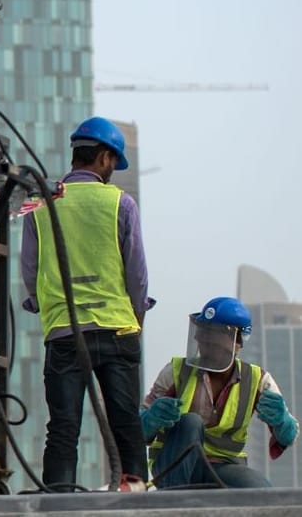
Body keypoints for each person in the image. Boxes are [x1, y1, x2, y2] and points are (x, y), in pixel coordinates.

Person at [21, 116, 152, 489]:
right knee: (125, 422)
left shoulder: (39, 203)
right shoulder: (120, 203)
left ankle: (58, 506)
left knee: (63, 429)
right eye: (114, 163)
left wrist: (44, 306)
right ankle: (135, 500)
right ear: (105, 158)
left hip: (63, 333)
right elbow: (137, 275)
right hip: (116, 329)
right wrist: (136, 320)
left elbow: (29, 270)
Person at [141, 297, 298, 489]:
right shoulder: (176, 371)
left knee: (260, 490)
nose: (206, 341)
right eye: (204, 332)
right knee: (191, 421)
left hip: (224, 467)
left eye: (215, 336)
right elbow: (136, 431)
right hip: (174, 465)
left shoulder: (258, 380)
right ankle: (173, 502)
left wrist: (281, 421)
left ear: (238, 343)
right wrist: (151, 419)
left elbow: (289, 436)